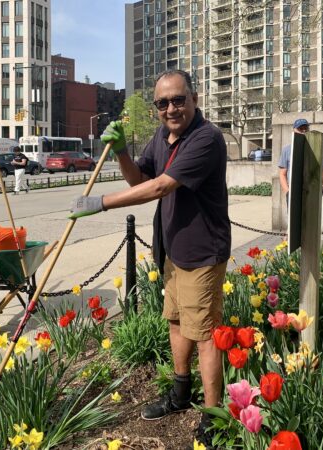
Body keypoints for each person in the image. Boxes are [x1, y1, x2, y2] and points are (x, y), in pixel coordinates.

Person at [69, 69, 230, 448]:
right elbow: (139, 179)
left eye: (178, 99)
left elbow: (160, 187)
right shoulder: (162, 135)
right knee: (176, 322)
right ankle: (179, 393)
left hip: (202, 253)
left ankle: (213, 418)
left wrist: (100, 202)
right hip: (173, 249)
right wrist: (123, 150)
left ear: (194, 98)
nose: (170, 108)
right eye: (162, 103)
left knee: (205, 335)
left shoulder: (205, 138)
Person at [278, 118, 323, 204]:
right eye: (300, 129)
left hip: (311, 193)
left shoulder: (316, 149)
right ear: (294, 130)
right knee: (293, 217)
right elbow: (282, 174)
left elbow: (322, 174)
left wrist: (314, 187)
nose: (304, 131)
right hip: (293, 192)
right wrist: (288, 191)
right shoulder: (287, 150)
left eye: (306, 128)